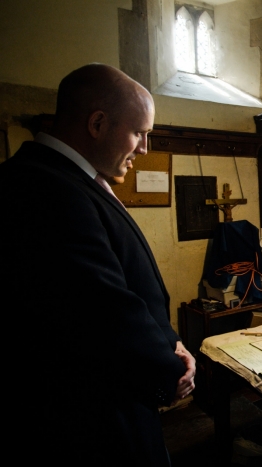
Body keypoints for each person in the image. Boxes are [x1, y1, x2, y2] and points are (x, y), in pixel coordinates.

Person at [0, 64, 195, 466]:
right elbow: (103, 311)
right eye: (139, 133)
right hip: (89, 422)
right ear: (97, 123)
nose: (144, 147)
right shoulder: (44, 189)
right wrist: (168, 375)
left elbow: (131, 284)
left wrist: (171, 342)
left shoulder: (72, 180)